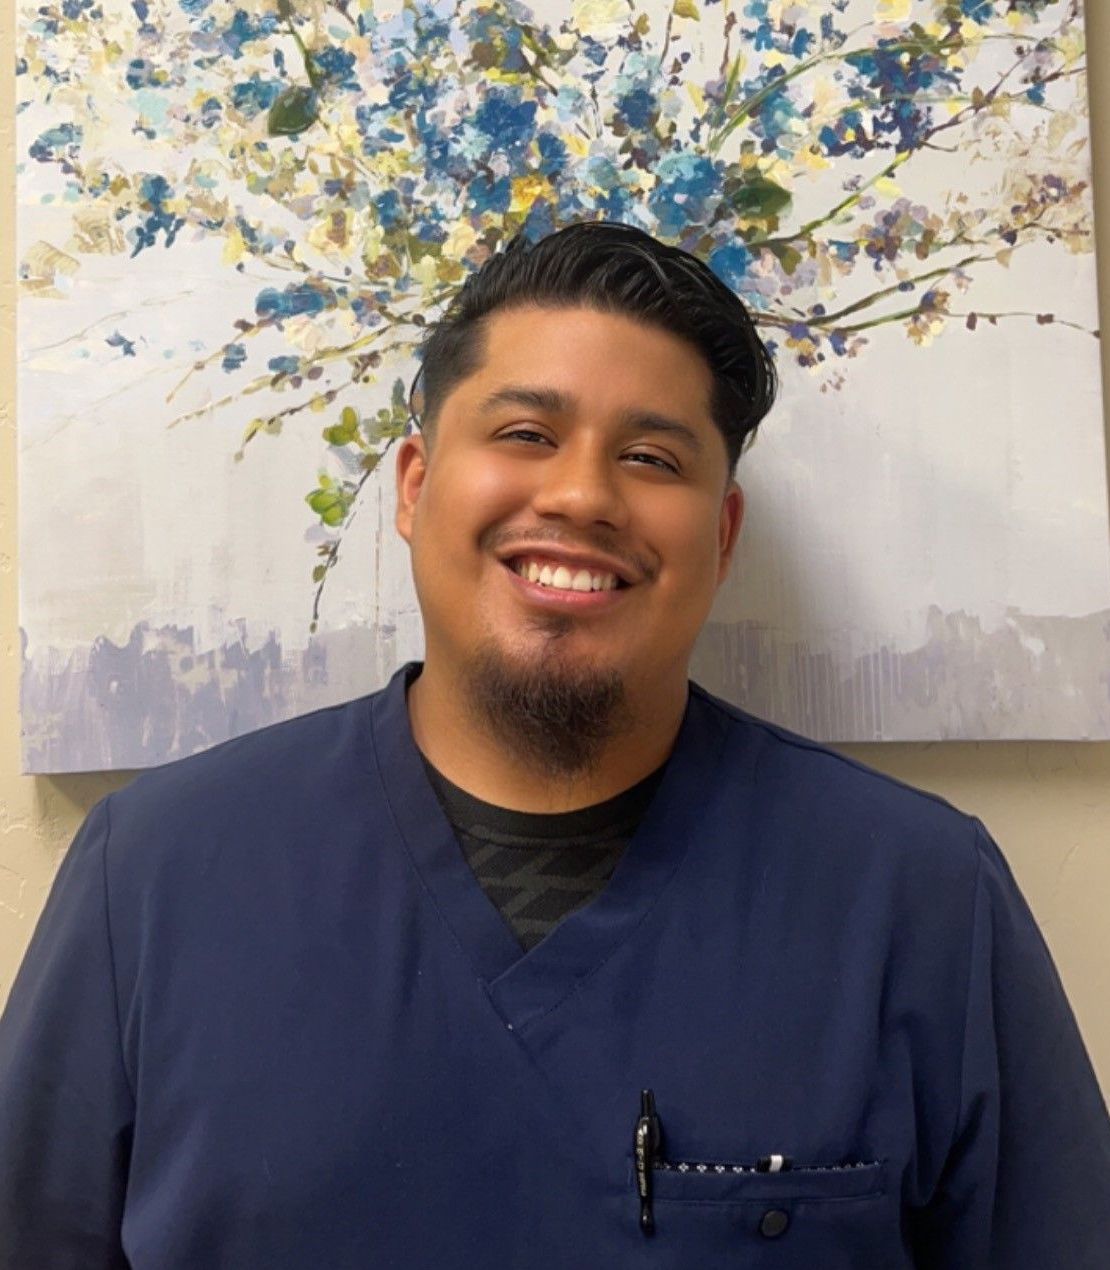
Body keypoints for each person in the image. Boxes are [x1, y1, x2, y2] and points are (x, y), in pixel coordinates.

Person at [1, 221, 1107, 1269]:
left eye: (652, 457)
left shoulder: (920, 897)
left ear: (721, 536)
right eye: (527, 434)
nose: (582, 495)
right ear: (415, 486)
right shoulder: (152, 874)